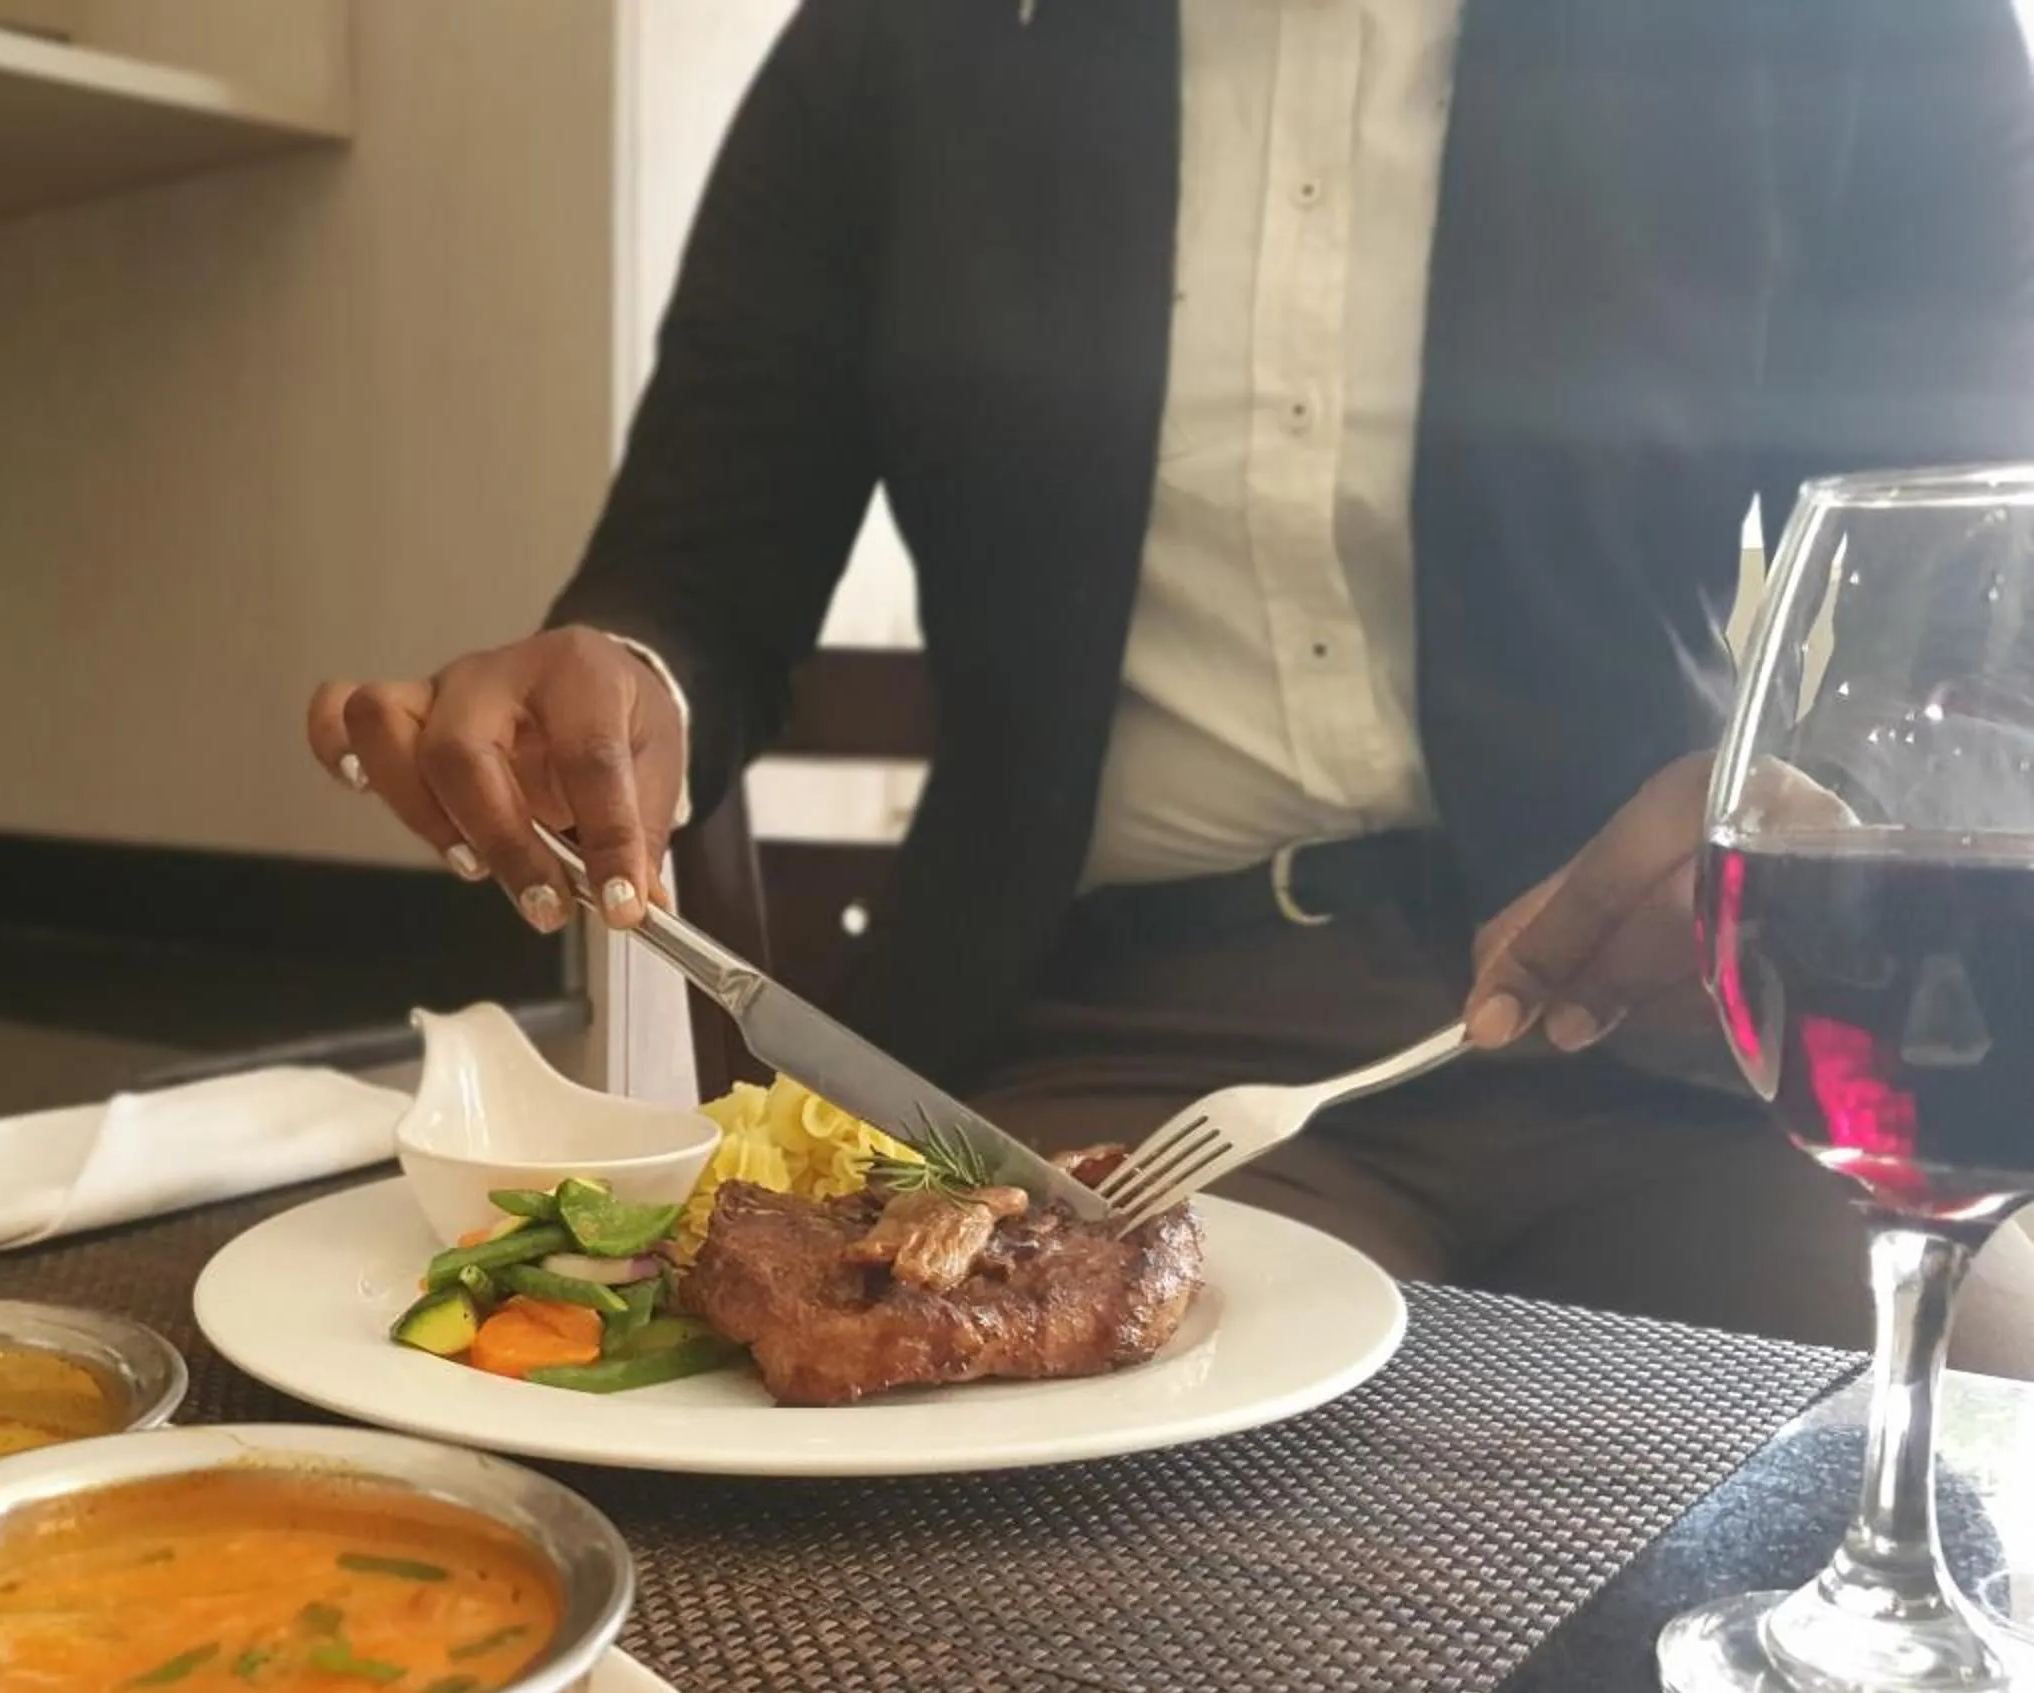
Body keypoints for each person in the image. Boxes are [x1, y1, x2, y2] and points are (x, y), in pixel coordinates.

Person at [305, 1, 2034, 1370]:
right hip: (1123, 1051)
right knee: (1075, 1529)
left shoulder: (1840, 26)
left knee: (1939, 1464)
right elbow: (700, 568)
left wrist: (1800, 803)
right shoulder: (898, 49)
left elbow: (1974, 600)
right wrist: (617, 684)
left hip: (1680, 1032)